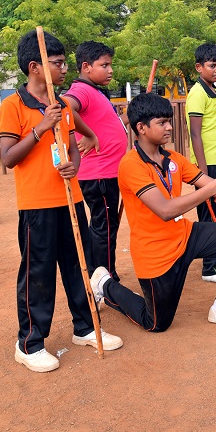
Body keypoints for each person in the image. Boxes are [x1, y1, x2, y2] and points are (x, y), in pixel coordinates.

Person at [90, 92, 216, 332]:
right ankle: (105, 284)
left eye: (169, 120)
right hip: (155, 254)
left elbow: (210, 184)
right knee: (157, 323)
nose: (169, 127)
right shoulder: (131, 165)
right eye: (162, 122)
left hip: (184, 236)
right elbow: (165, 211)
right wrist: (212, 188)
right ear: (141, 128)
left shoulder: (174, 159)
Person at [0, 29, 123, 373]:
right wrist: (40, 127)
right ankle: (30, 343)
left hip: (70, 199)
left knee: (77, 265)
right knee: (38, 272)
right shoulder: (13, 105)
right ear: (35, 67)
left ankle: (85, 327)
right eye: (57, 63)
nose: (64, 68)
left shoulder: (63, 105)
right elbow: (9, 158)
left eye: (64, 62)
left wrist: (74, 166)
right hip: (36, 205)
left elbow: (71, 148)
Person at [62, 41, 127, 281]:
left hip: (107, 173)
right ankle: (103, 279)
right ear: (86, 67)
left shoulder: (97, 91)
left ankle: (102, 273)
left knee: (105, 226)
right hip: (98, 173)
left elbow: (112, 125)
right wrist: (89, 134)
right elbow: (66, 106)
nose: (110, 70)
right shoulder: (82, 90)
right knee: (105, 228)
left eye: (111, 65)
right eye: (105, 65)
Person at [185, 43, 216, 282]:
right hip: (207, 163)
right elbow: (195, 133)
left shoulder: (212, 91)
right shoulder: (197, 93)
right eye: (212, 66)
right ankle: (209, 268)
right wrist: (202, 169)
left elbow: (212, 125)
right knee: (208, 214)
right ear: (199, 67)